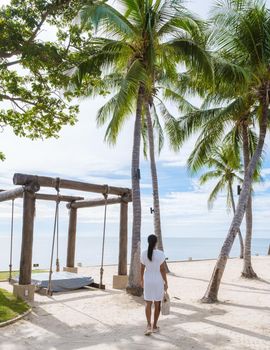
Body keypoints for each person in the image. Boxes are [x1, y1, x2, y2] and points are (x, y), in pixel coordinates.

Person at [140, 234, 168, 335]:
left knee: (148, 303)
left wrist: (141, 280)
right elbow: (162, 269)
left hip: (148, 280)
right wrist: (166, 282)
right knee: (157, 303)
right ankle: (154, 326)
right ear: (156, 242)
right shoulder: (161, 254)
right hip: (158, 281)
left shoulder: (143, 253)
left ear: (148, 242)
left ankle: (148, 325)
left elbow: (142, 268)